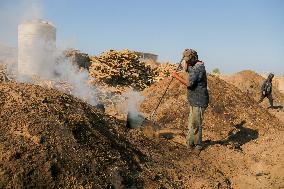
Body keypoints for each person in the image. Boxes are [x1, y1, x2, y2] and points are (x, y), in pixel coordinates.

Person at [172, 49, 209, 151]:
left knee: (196, 124)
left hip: (199, 101)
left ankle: (198, 145)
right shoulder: (194, 65)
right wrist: (185, 61)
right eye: (185, 60)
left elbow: (189, 84)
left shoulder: (198, 68)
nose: (187, 62)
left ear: (194, 58)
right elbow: (188, 69)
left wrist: (176, 76)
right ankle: (190, 143)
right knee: (191, 123)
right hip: (193, 100)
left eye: (188, 60)